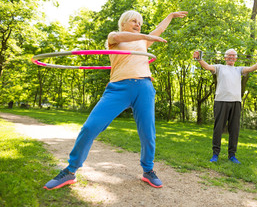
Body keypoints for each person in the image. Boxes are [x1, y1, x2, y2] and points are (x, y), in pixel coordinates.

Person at [44, 10, 188, 190]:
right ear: (123, 23)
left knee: (148, 133)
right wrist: (145, 35)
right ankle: (70, 171)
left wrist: (171, 16)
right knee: (90, 127)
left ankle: (148, 170)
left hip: (144, 87)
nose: (138, 24)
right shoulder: (114, 37)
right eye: (134, 21)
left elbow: (159, 30)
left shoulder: (143, 41)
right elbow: (121, 36)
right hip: (118, 88)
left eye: (140, 23)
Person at [193, 49, 257, 164]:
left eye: (233, 56)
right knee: (218, 128)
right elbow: (207, 67)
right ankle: (215, 154)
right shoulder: (219, 67)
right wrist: (199, 59)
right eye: (229, 55)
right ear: (225, 58)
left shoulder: (238, 70)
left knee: (234, 130)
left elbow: (250, 69)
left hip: (236, 102)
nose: (231, 57)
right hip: (221, 101)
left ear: (236, 58)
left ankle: (232, 155)